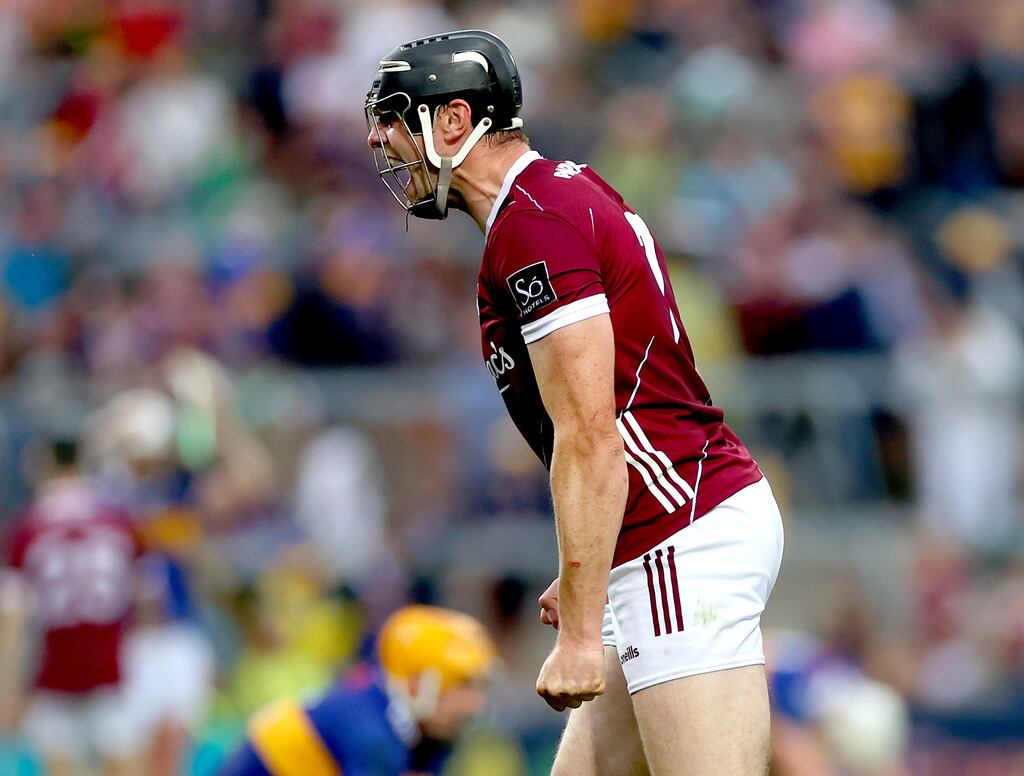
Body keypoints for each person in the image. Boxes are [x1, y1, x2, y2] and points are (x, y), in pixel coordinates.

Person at [364, 30, 785, 775]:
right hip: (661, 533)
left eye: (393, 117)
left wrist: (582, 635)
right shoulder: (547, 200)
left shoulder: (533, 226)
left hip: (676, 536)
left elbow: (591, 432)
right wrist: (589, 562)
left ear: (454, 120)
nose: (379, 139)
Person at [1, 438, 144, 776]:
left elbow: (14, 614)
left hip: (54, 672)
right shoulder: (117, 518)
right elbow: (142, 595)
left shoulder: (28, 527)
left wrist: (7, 683)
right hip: (109, 667)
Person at [218, 604, 497, 776]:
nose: (474, 705)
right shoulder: (370, 733)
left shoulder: (406, 723)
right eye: (463, 685)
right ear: (415, 682)